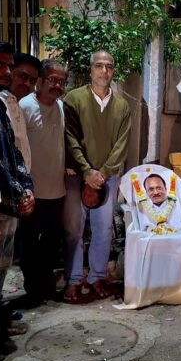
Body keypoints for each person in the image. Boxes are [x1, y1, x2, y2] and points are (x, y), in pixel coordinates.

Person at [0, 40, 34, 357]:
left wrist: (25, 186)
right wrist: (17, 191)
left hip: (10, 205)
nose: (7, 72)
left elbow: (12, 153)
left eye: (9, 65)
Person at [63, 51, 131, 302]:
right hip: (76, 175)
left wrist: (102, 173)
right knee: (74, 230)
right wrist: (86, 171)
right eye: (99, 66)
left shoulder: (122, 106)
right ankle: (73, 279)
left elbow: (122, 145)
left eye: (109, 66)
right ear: (90, 69)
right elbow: (69, 137)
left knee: (103, 230)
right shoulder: (73, 99)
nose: (104, 71)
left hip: (106, 178)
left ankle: (97, 277)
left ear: (113, 71)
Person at [117, 164, 181, 309]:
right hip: (149, 236)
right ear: (145, 192)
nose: (156, 192)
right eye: (151, 189)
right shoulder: (142, 205)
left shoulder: (174, 203)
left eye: (159, 188)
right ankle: (151, 292)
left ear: (166, 189)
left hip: (177, 234)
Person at [18, 59, 68, 305]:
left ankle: (47, 287)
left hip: (57, 189)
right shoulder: (24, 106)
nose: (57, 85)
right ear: (40, 80)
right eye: (52, 80)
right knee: (29, 243)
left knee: (51, 242)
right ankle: (33, 289)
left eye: (61, 81)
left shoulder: (61, 107)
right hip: (33, 191)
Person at [7, 52, 41, 170]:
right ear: (9, 72)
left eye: (32, 80)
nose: (27, 84)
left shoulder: (17, 105)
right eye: (23, 77)